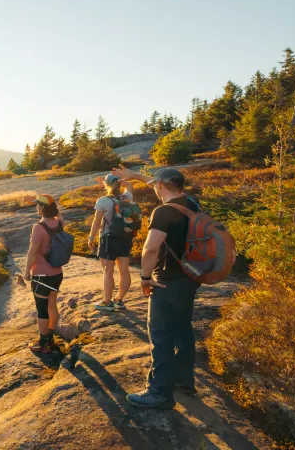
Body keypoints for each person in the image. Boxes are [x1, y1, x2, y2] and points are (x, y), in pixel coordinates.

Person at [112, 165, 202, 409]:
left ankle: (159, 392)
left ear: (162, 186)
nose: (154, 188)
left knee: (161, 336)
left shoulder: (163, 212)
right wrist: (137, 177)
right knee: (183, 329)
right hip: (190, 278)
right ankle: (185, 382)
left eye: (156, 185)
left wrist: (144, 276)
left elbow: (151, 248)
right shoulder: (192, 204)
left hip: (165, 282)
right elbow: (159, 184)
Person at [24, 194, 65, 354]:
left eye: (37, 205)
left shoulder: (38, 227)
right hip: (57, 273)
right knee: (51, 304)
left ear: (42, 208)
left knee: (41, 309)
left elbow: (33, 252)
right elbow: (59, 214)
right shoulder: (59, 223)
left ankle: (43, 343)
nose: (35, 207)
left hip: (41, 275)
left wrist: (27, 272)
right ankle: (50, 338)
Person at [88, 174, 135, 311]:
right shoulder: (127, 197)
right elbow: (130, 186)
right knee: (124, 271)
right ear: (119, 184)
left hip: (108, 239)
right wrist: (122, 180)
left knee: (108, 271)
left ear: (107, 185)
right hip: (125, 238)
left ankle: (107, 302)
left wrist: (91, 238)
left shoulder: (103, 201)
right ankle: (119, 300)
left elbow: (97, 222)